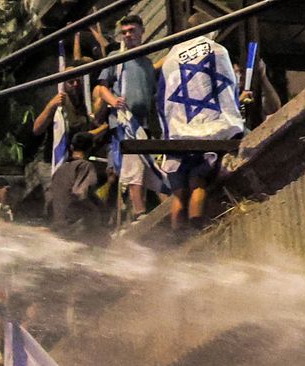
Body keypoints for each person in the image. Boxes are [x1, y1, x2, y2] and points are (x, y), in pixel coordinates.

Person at [157, 17, 245, 231]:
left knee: (179, 192)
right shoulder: (216, 50)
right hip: (208, 130)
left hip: (178, 133)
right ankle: (195, 233)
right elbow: (226, 86)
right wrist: (234, 117)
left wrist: (168, 132)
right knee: (198, 182)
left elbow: (161, 99)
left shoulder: (170, 58)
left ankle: (176, 241)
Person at [94, 14, 160, 217]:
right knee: (133, 166)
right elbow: (102, 87)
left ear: (142, 31)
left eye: (132, 30)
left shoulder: (148, 64)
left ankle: (160, 207)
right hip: (124, 122)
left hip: (144, 122)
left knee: (151, 166)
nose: (128, 35)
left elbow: (152, 94)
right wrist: (113, 101)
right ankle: (138, 212)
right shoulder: (116, 57)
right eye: (124, 32)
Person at [45, 132, 103, 236]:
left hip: (57, 224)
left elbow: (50, 198)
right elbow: (80, 193)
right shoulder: (86, 166)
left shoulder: (61, 169)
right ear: (91, 148)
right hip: (75, 226)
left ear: (71, 147)